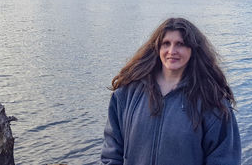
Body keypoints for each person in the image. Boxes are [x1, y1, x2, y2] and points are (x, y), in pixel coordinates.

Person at [101, 17, 241, 165]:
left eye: (180, 44)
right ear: (157, 47)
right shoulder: (127, 94)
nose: (172, 51)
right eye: (166, 44)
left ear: (193, 50)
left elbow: (225, 158)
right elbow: (111, 153)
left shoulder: (211, 100)